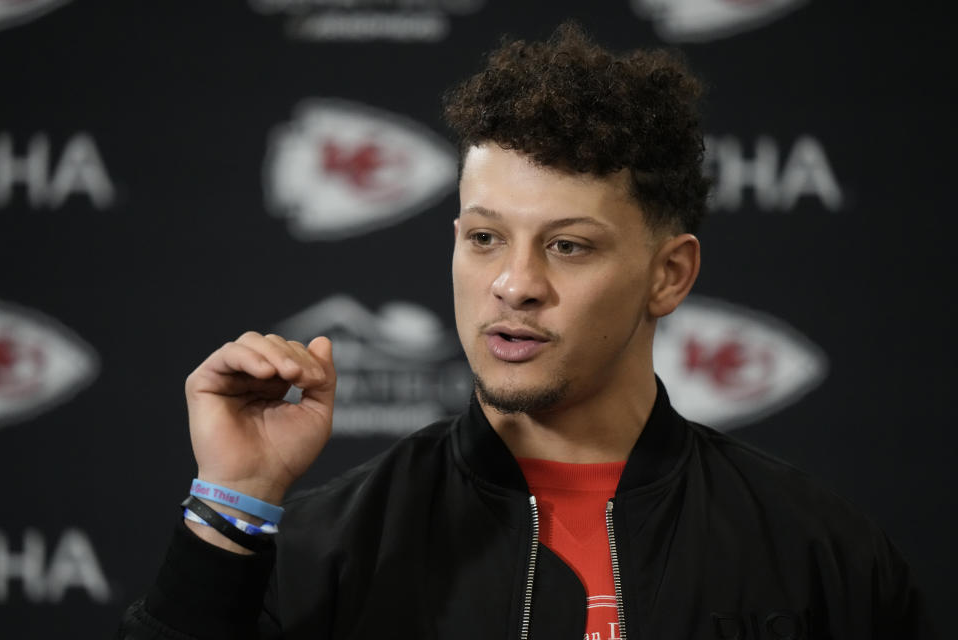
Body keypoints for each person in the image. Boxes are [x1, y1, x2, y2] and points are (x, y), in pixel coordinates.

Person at [117, 22, 933, 640]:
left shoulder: (818, 554)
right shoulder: (331, 547)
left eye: (568, 246)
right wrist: (233, 503)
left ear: (670, 275)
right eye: (484, 238)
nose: (514, 285)